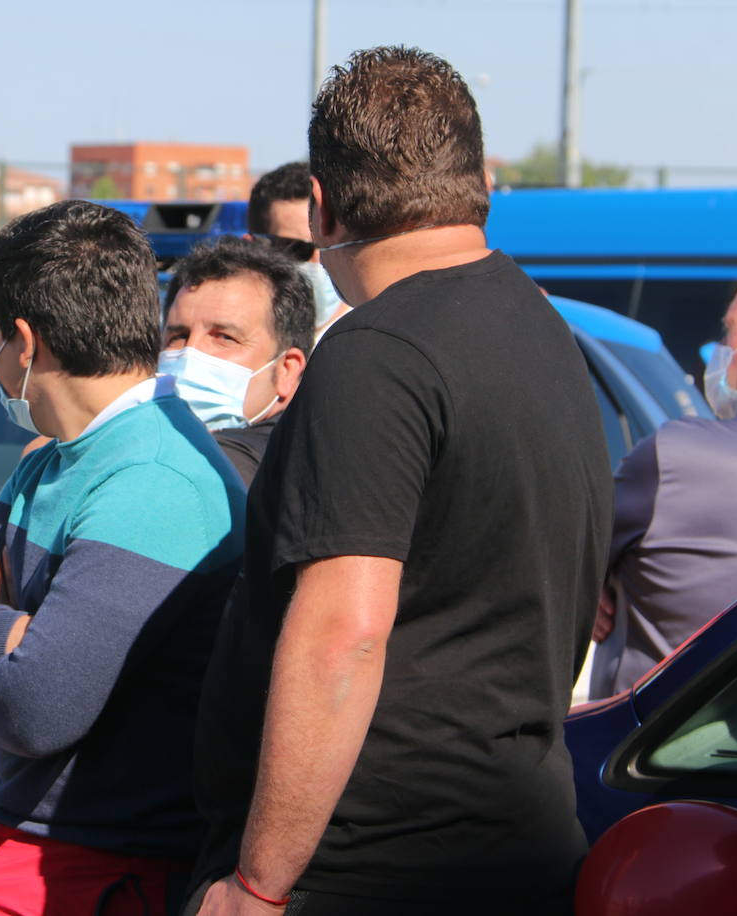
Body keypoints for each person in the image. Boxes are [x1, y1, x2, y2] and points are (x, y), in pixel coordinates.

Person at [191, 46, 612, 915]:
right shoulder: (541, 331)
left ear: (322, 205)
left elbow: (343, 632)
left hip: (373, 864)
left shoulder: (376, 355)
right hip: (514, 839)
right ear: (477, 179)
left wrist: (259, 884)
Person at [0, 200, 244, 916]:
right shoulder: (53, 461)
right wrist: (12, 632)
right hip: (21, 845)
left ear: (24, 343)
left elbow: (37, 708)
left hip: (95, 868)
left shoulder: (154, 481)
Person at [590, 254, 737, 699]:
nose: (721, 353)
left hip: (660, 758)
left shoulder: (678, 457)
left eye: (730, 331)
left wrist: (588, 580)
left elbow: (555, 556)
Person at [159, 236, 313, 484]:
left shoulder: (253, 464)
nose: (192, 352)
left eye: (224, 337)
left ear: (287, 370)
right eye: (178, 336)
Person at [246, 161, 351, 336]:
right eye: (297, 249)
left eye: (330, 246)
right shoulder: (228, 338)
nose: (318, 262)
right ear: (253, 247)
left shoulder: (377, 337)